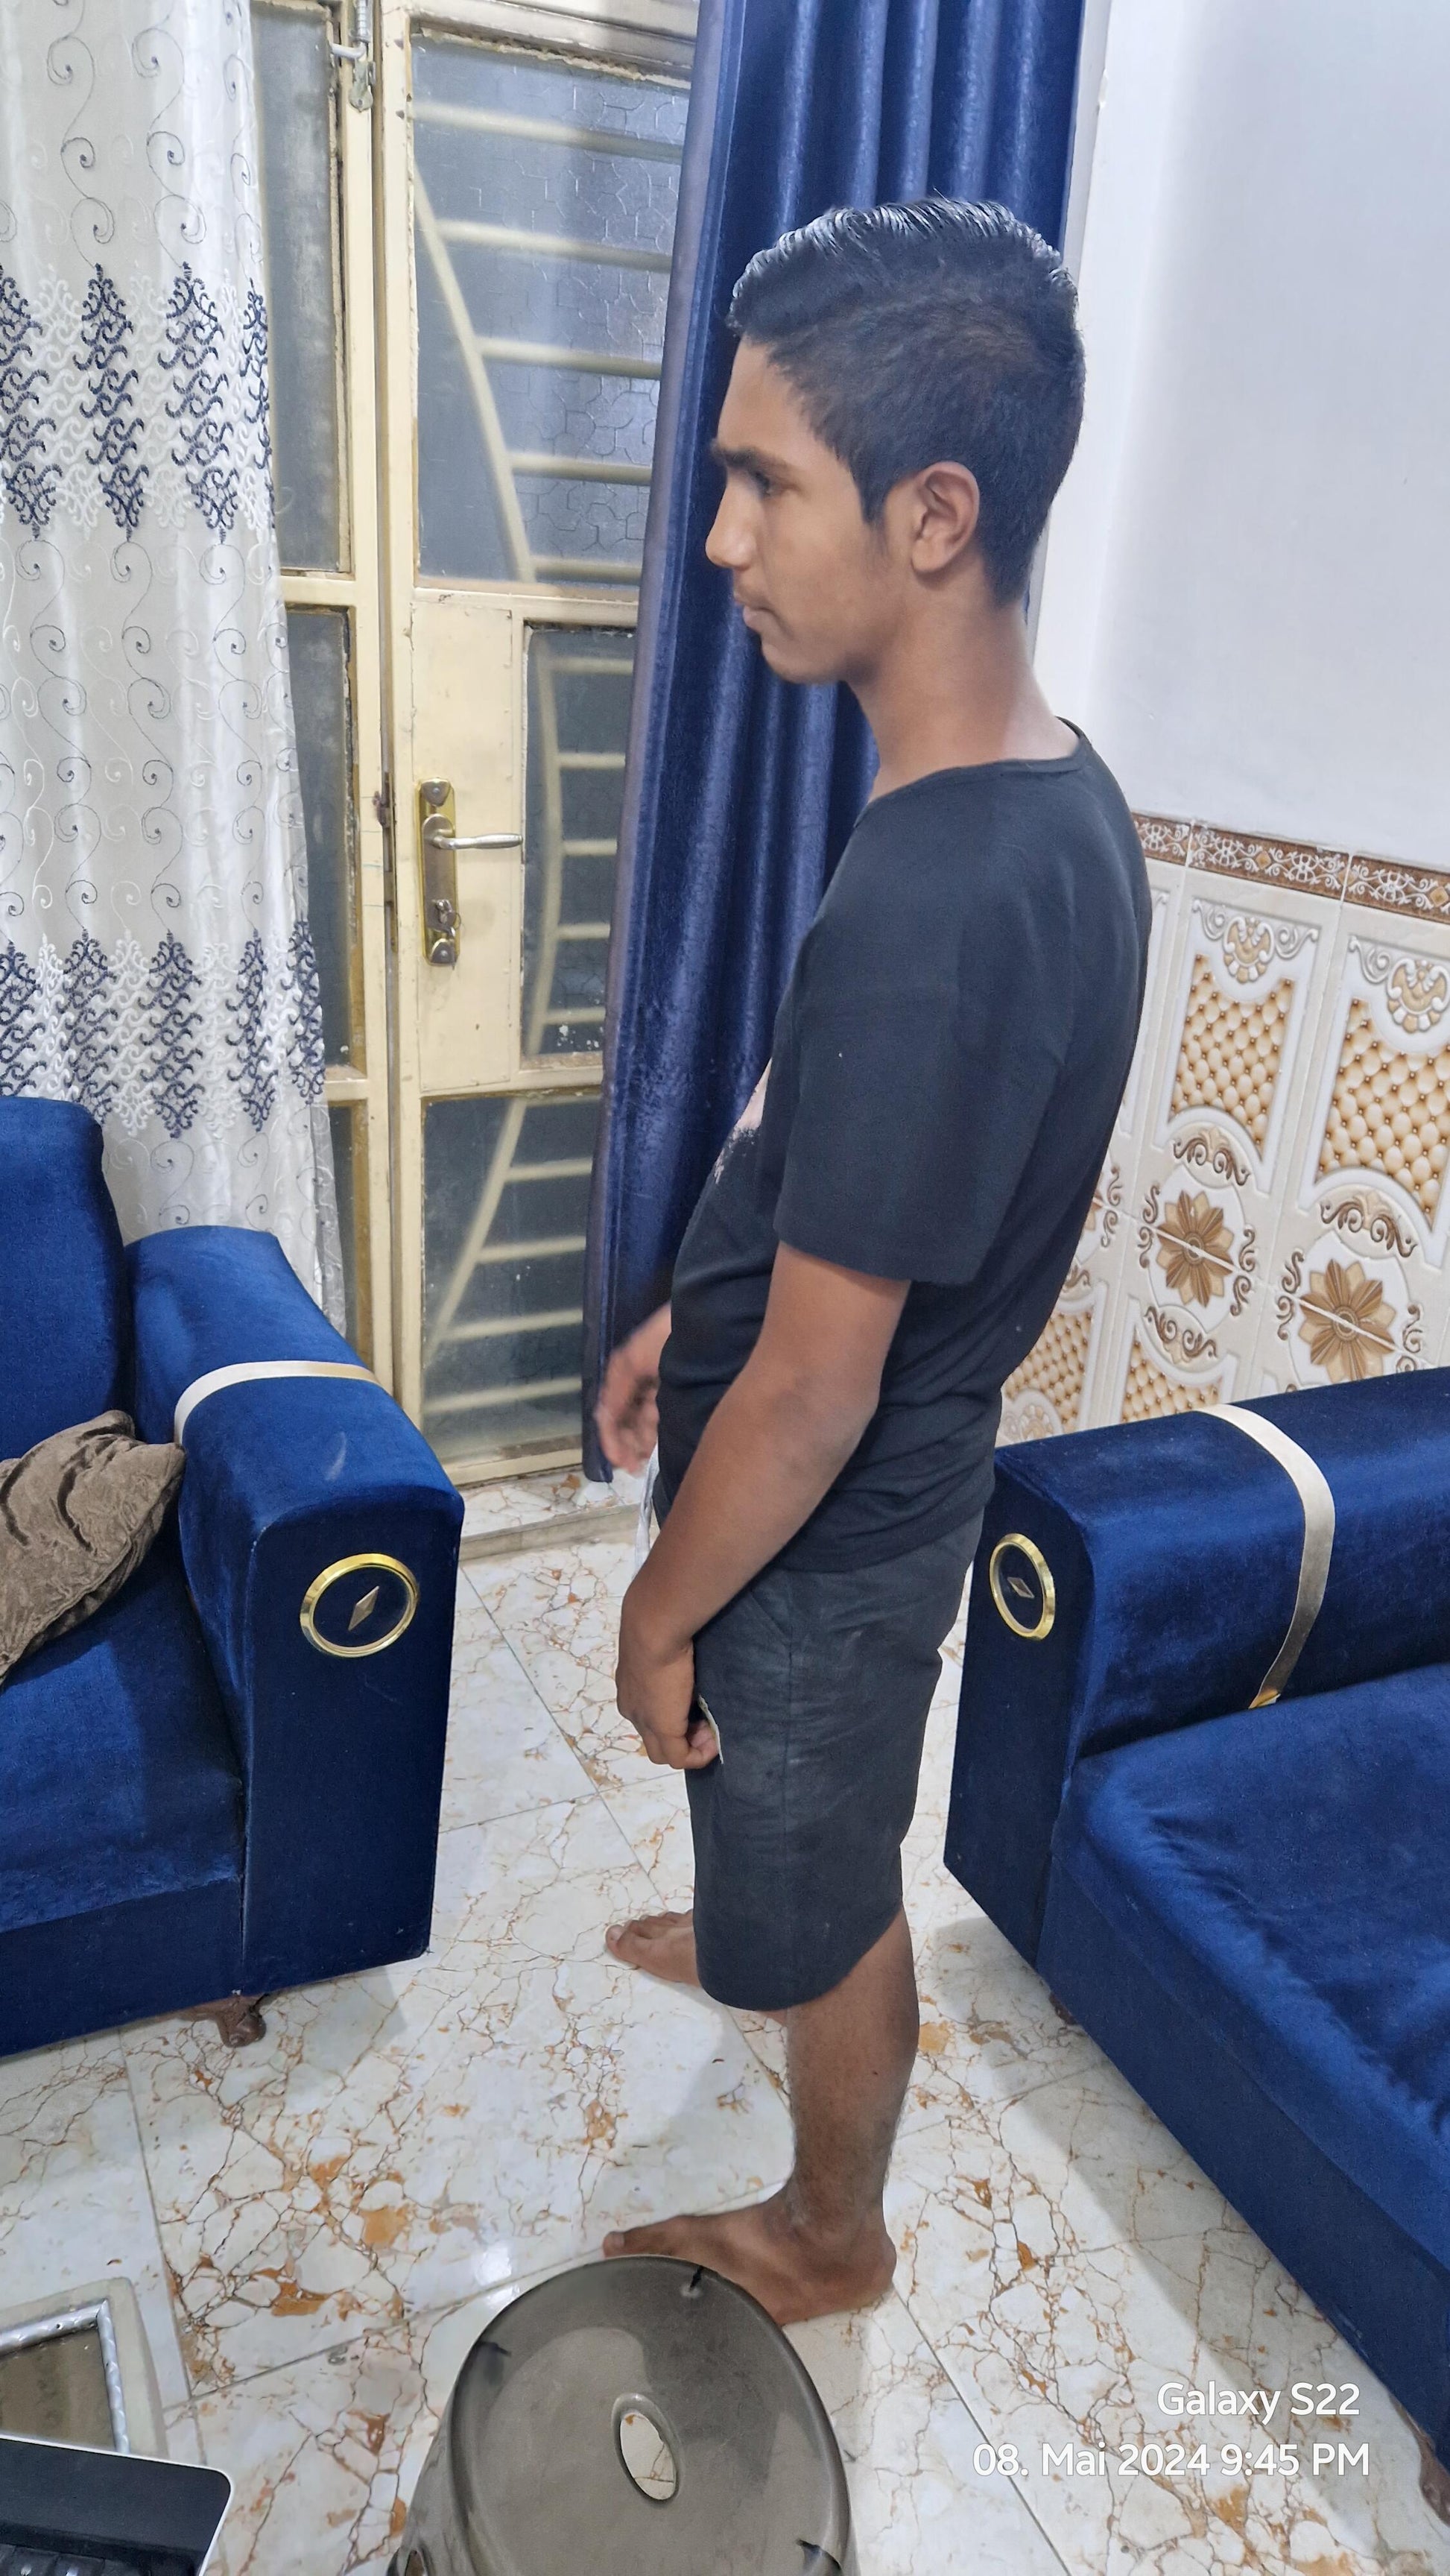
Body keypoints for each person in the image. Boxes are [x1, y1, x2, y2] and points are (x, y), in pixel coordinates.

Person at [595, 198, 1150, 2326]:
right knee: (783, 1828)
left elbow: (821, 1388)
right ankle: (755, 1917)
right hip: (827, 1475)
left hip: (823, 1524)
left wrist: (657, 1609)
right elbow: (850, 1148)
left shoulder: (949, 894)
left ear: (932, 515)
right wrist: (688, 1313)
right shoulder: (1029, 795)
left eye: (764, 482)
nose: (720, 538)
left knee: (826, 1877)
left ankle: (832, 2231)